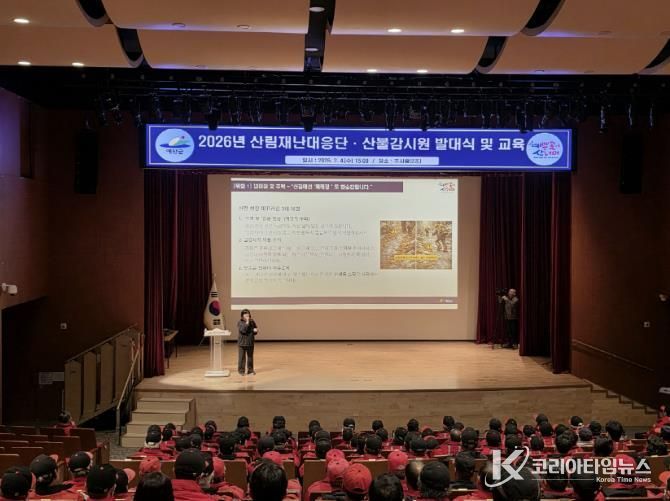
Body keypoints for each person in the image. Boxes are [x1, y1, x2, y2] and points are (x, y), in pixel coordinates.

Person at [237, 309, 258, 375]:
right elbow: (243, 330)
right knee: (242, 358)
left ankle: (250, 370)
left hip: (250, 342)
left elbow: (255, 329)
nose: (247, 316)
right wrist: (247, 322)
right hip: (242, 343)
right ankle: (241, 371)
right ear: (242, 316)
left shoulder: (252, 321)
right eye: (245, 315)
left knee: (250, 357)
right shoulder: (240, 322)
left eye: (248, 314)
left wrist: (256, 330)